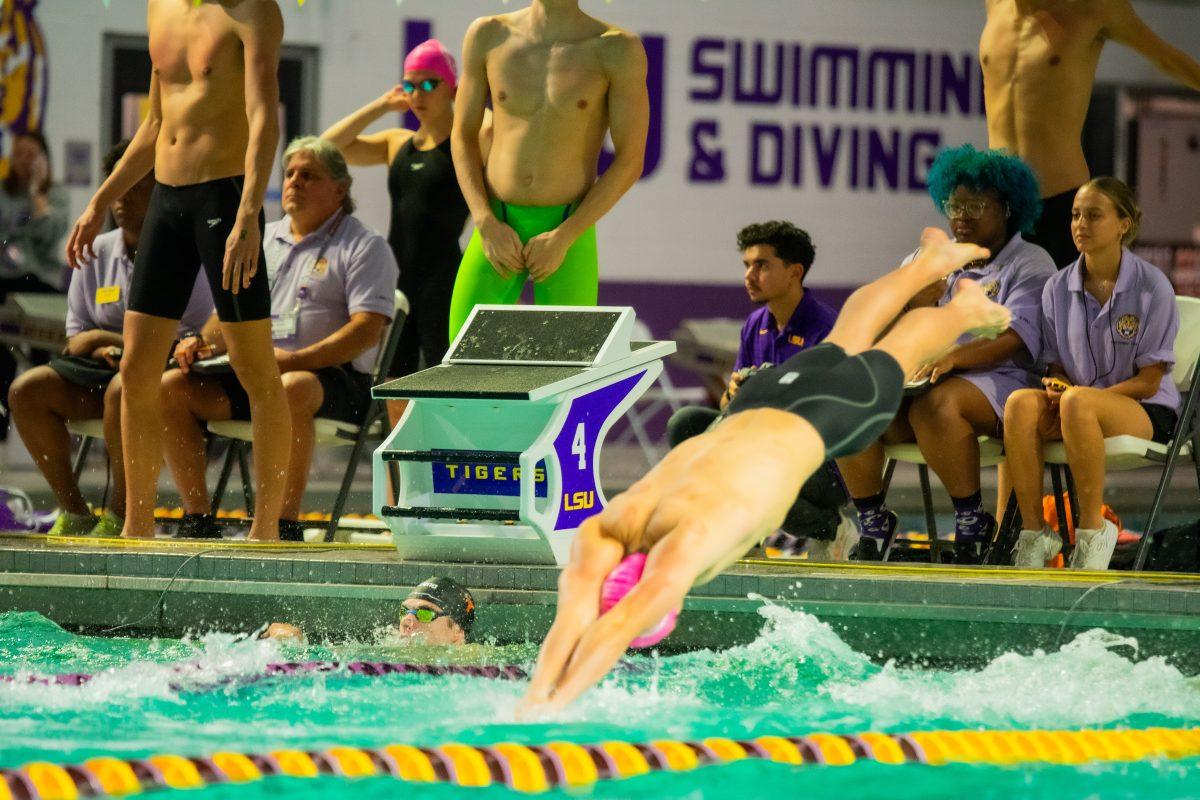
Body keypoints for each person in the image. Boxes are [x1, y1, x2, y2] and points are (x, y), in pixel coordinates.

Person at [520, 228, 1013, 715]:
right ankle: (926, 262)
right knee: (849, 335)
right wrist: (538, 693)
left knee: (897, 351)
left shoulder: (693, 539)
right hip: (757, 402)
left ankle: (964, 306)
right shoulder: (612, 524)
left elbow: (618, 622)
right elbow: (575, 617)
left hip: (816, 419)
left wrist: (548, 709)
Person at [64, 0, 290, 540]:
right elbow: (153, 124)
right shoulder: (158, 9)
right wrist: (100, 202)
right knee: (137, 371)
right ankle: (137, 525)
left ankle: (265, 530)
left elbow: (264, 118)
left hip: (225, 193)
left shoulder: (253, 11)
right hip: (166, 201)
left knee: (255, 367)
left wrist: (250, 213)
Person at [161, 137, 398, 541]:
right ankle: (198, 519)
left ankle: (281, 523)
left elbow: (366, 331)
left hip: (333, 380)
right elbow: (228, 315)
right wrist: (199, 342)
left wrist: (295, 359)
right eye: (289, 174)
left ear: (340, 189)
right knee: (173, 388)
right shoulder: (260, 238)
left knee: (290, 388)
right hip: (260, 372)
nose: (294, 182)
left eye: (309, 175)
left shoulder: (364, 245)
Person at [837, 146, 1055, 564]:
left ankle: (972, 523)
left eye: (975, 206)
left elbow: (1014, 338)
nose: (960, 216)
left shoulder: (1029, 263)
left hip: (1003, 383)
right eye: (954, 205)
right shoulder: (927, 260)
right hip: (926, 381)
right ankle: (873, 521)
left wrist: (953, 358)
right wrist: (910, 302)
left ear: (1007, 208)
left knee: (936, 405)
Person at [7, 140, 213, 538]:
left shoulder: (186, 252)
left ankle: (122, 511)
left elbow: (198, 334)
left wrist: (125, 348)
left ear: (161, 189)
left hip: (163, 376)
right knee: (26, 390)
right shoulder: (96, 250)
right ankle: (75, 510)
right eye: (116, 184)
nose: (122, 196)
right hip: (98, 369)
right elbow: (76, 338)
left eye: (136, 183)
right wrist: (108, 344)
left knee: (127, 385)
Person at [1005, 178, 1179, 570]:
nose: (1080, 223)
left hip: (1145, 408)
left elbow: (1149, 381)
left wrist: (1078, 400)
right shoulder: (1055, 288)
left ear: (1123, 224)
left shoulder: (1153, 287)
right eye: (1075, 215)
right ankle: (1035, 534)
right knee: (1019, 404)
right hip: (1078, 407)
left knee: (1080, 402)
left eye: (1094, 215)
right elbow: (1056, 365)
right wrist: (1056, 387)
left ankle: (1092, 530)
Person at [447, 0, 649, 337]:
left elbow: (631, 160)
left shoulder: (617, 48)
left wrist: (566, 235)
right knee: (461, 363)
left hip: (567, 230)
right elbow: (462, 137)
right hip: (497, 226)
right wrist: (485, 221)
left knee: (565, 373)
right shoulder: (488, 34)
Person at [666, 221, 845, 557]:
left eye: (762, 265)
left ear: (794, 272)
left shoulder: (826, 328)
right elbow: (726, 408)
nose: (749, 275)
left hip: (824, 466)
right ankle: (739, 536)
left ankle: (829, 527)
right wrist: (735, 392)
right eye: (747, 265)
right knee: (687, 424)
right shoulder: (754, 325)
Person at [981, 0, 1200, 267]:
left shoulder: (1094, 8)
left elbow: (1167, 58)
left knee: (1063, 306)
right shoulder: (995, 5)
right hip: (997, 201)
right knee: (988, 305)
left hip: (1058, 202)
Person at [321, 39, 471, 377]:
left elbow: (493, 126)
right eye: (410, 85)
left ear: (453, 89)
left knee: (442, 375)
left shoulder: (468, 142)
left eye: (430, 84)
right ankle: (399, 433)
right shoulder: (396, 143)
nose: (418, 94)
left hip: (444, 278)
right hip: (395, 274)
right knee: (393, 376)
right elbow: (328, 147)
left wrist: (468, 101)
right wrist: (383, 105)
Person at [0, 129, 70, 441]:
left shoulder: (54, 195)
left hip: (39, 282)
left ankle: (46, 434)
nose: (23, 161)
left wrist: (35, 193)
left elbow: (50, 236)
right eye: (19, 154)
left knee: (46, 357)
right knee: (2, 361)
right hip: (5, 281)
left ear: (43, 159)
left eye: (31, 155)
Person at [263, 576, 476, 646]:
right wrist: (297, 643)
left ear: (457, 631)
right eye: (405, 611)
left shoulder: (477, 663)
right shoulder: (385, 653)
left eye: (425, 613)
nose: (408, 620)